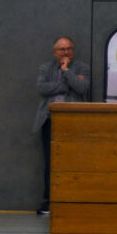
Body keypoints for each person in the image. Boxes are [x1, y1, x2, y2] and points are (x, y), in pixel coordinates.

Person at [33, 36, 90, 214]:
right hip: (50, 120)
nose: (66, 52)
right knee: (51, 161)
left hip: (73, 122)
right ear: (54, 52)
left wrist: (66, 71)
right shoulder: (45, 68)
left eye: (69, 49)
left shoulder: (82, 68)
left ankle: (72, 199)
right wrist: (67, 84)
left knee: (73, 161)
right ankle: (49, 201)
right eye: (62, 49)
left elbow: (82, 88)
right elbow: (41, 88)